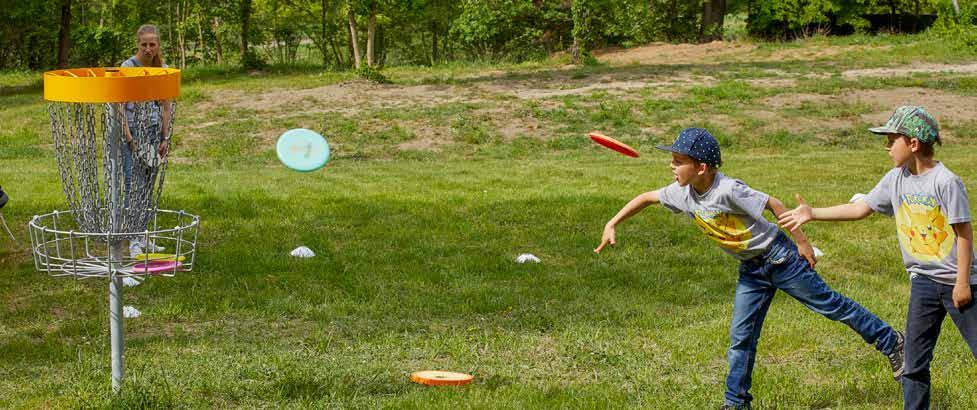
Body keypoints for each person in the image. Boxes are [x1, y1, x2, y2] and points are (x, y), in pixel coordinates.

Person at [595, 128, 904, 409]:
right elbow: (646, 198)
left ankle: (892, 342)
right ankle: (736, 403)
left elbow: (775, 204)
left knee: (832, 306)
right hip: (751, 271)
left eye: (678, 161)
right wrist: (612, 223)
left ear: (701, 167)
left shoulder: (728, 189)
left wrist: (803, 244)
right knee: (741, 337)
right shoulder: (683, 194)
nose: (671, 166)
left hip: (781, 259)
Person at [778, 106, 976, 410]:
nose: (886, 147)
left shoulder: (946, 182)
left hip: (957, 282)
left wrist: (962, 282)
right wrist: (812, 213)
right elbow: (861, 209)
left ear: (912, 144)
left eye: (891, 140)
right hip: (923, 282)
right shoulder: (896, 178)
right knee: (913, 363)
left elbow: (964, 233)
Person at [113, 24, 172, 256]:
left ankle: (143, 234)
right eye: (144, 44)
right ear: (138, 44)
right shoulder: (128, 67)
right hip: (133, 133)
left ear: (158, 45)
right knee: (133, 186)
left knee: (148, 186)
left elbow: (167, 106)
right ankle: (133, 241)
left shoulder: (163, 68)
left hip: (154, 132)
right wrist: (128, 137)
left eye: (152, 44)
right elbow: (119, 103)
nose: (148, 49)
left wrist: (165, 136)